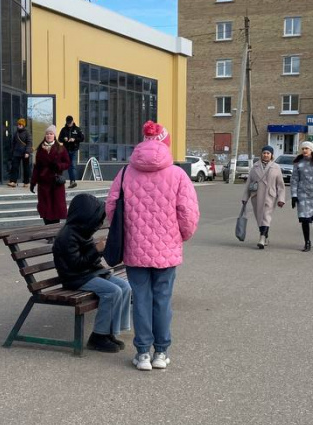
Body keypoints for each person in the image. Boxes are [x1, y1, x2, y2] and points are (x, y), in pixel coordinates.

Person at [105, 120, 200, 371]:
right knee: (162, 300)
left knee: (142, 299)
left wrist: (127, 231)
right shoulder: (178, 174)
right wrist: (181, 236)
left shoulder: (125, 172)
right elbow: (188, 213)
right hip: (167, 251)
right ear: (165, 144)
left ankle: (143, 353)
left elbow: (111, 206)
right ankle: (161, 352)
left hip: (135, 249)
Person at [53, 193, 132, 353]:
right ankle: (98, 336)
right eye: (96, 219)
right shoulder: (67, 236)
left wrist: (101, 250)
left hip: (90, 273)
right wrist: (96, 250)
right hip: (75, 278)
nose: (98, 223)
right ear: (85, 216)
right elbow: (76, 265)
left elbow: (89, 260)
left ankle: (110, 331)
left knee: (125, 287)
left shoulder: (82, 231)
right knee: (112, 291)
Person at [242, 145, 286, 249]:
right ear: (261, 154)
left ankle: (261, 237)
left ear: (271, 155)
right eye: (264, 153)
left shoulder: (276, 167)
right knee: (259, 217)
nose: (266, 155)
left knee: (266, 216)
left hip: (270, 196)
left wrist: (281, 199)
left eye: (268, 153)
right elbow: (249, 183)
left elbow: (280, 185)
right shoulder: (255, 166)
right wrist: (245, 198)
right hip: (256, 196)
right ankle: (265, 235)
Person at [30, 125, 70, 225]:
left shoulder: (61, 148)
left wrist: (59, 166)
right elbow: (37, 167)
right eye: (47, 134)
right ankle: (48, 231)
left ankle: (54, 232)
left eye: (51, 134)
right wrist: (33, 182)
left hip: (56, 182)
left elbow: (67, 163)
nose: (49, 136)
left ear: (54, 136)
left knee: (56, 207)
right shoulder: (40, 149)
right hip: (43, 182)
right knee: (45, 207)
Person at [58, 115, 84, 189]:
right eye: (67, 123)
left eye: (70, 123)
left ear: (72, 121)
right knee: (64, 165)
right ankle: (59, 179)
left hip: (74, 149)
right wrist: (64, 139)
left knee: (72, 165)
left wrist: (74, 139)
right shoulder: (63, 130)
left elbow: (82, 138)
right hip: (65, 150)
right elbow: (59, 139)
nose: (69, 124)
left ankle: (72, 181)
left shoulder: (77, 129)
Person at [8, 119, 32, 188]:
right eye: (18, 124)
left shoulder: (27, 133)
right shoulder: (16, 133)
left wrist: (27, 152)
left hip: (25, 153)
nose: (19, 126)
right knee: (14, 167)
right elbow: (13, 143)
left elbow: (29, 142)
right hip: (16, 152)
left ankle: (26, 182)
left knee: (26, 168)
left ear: (23, 125)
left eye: (20, 124)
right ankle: (13, 181)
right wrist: (12, 152)